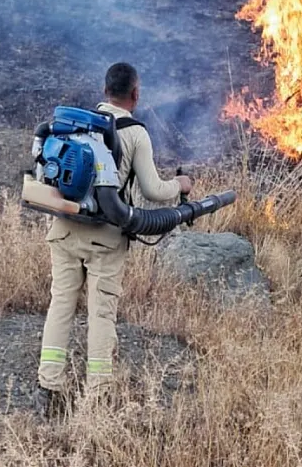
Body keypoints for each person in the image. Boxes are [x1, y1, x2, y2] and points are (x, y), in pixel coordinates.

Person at [35, 62, 194, 418]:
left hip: (63, 230)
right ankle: (98, 395)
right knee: (101, 314)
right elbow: (153, 190)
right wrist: (180, 187)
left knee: (60, 305)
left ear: (105, 90)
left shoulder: (77, 124)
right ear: (135, 94)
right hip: (105, 239)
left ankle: (48, 387)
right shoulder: (135, 133)